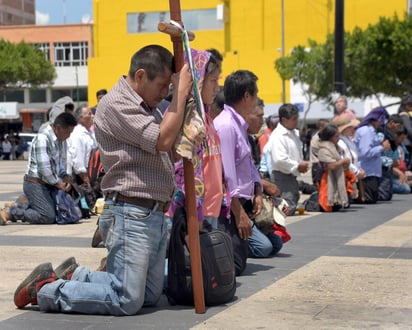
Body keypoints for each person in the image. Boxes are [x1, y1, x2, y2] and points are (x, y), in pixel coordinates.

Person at [13, 45, 192, 315]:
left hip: (152, 212)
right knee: (126, 299)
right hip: (131, 213)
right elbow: (162, 140)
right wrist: (180, 95)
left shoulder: (147, 105)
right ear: (141, 75)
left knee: (150, 296)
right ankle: (48, 289)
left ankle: (78, 276)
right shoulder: (117, 103)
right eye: (163, 85)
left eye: (170, 86)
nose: (165, 92)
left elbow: (169, 151)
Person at [214, 70, 279, 262]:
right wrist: (239, 212)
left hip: (244, 202)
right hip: (229, 206)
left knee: (271, 245)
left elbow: (248, 165)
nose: (257, 99)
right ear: (247, 96)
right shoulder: (226, 126)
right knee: (235, 263)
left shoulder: (239, 125)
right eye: (256, 94)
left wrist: (258, 190)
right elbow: (225, 175)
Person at [166, 48, 224, 231]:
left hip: (209, 209)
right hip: (185, 212)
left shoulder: (205, 118)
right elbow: (178, 168)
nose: (217, 88)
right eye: (213, 81)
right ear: (197, 81)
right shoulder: (183, 118)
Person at [0, 112, 76, 225]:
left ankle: (22, 203)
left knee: (65, 212)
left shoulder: (62, 141)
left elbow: (61, 163)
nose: (69, 136)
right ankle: (10, 212)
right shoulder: (42, 139)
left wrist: (65, 176)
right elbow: (44, 169)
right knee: (47, 216)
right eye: (68, 132)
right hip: (35, 184)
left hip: (49, 184)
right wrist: (58, 183)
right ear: (58, 128)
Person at [246, 98, 283, 255]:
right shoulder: (231, 133)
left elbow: (254, 170)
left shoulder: (252, 139)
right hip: (239, 206)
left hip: (252, 202)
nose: (263, 121)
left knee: (277, 244)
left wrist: (259, 192)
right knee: (264, 248)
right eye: (259, 116)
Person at [268, 103, 309, 215]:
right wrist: (297, 166)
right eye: (293, 119)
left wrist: (300, 165)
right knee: (285, 209)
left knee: (291, 205)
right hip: (282, 177)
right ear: (284, 120)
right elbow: (279, 159)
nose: (296, 121)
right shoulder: (278, 136)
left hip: (292, 176)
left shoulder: (294, 133)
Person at [354, 106, 391, 203]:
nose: (382, 123)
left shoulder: (372, 131)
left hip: (371, 171)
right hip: (366, 172)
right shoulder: (366, 132)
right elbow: (364, 152)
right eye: (381, 120)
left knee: (373, 198)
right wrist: (382, 147)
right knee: (368, 199)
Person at [317, 124, 352, 212]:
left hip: (339, 177)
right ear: (330, 137)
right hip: (328, 180)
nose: (339, 138)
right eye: (336, 136)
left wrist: (345, 163)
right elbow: (331, 166)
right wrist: (343, 161)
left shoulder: (337, 148)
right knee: (329, 206)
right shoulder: (323, 149)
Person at [333, 114, 365, 201]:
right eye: (349, 127)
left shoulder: (349, 140)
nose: (352, 129)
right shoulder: (340, 142)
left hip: (352, 175)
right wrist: (357, 171)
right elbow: (345, 160)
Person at [67, 104, 96, 187]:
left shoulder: (90, 134)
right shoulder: (78, 134)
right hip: (82, 177)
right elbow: (77, 159)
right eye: (89, 114)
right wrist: (85, 178)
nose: (92, 116)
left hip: (92, 172)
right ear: (81, 118)